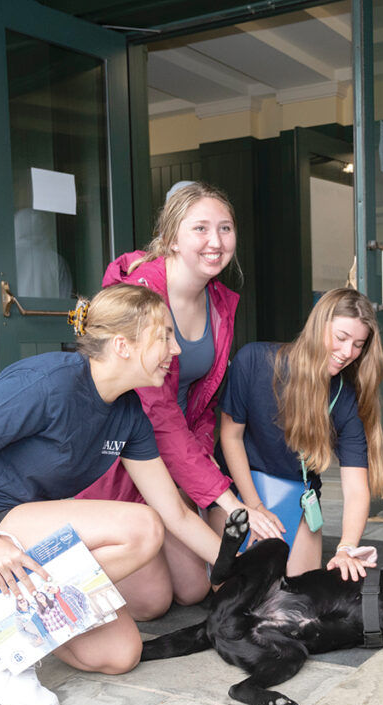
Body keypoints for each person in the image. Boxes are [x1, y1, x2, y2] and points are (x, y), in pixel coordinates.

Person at [0, 284, 222, 705]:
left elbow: (176, 513)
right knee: (140, 528)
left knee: (121, 652)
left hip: (24, 533)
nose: (176, 349)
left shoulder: (129, 413)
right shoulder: (49, 383)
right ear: (122, 345)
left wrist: (239, 570)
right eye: (164, 335)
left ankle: (0, 623)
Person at [78, 182, 247, 619]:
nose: (216, 241)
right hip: (121, 457)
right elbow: (157, 414)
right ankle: (55, 577)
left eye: (225, 228)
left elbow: (204, 403)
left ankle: (159, 528)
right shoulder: (144, 300)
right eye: (201, 229)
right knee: (152, 602)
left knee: (192, 590)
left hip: (174, 457)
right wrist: (226, 501)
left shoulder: (220, 301)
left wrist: (195, 474)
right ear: (171, 237)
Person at [217, 287, 383, 580]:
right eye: (341, 338)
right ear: (318, 325)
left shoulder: (345, 397)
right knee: (231, 591)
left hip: (298, 495)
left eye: (359, 344)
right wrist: (253, 506)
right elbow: (230, 437)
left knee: (298, 594)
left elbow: (355, 486)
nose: (348, 353)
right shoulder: (254, 360)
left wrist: (347, 547)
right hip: (239, 488)